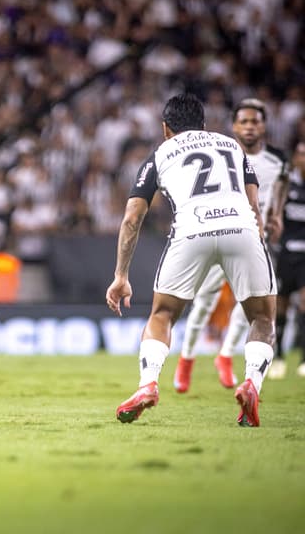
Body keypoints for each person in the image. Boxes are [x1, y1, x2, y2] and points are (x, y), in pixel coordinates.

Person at [106, 93, 276, 427]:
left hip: (191, 232)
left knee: (163, 314)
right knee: (263, 319)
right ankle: (251, 384)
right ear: (203, 125)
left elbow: (131, 219)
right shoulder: (231, 146)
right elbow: (255, 206)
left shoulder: (160, 154)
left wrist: (121, 275)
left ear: (166, 128)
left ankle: (148, 385)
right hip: (241, 228)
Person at [173, 98, 288, 392]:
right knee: (204, 301)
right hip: (220, 229)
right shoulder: (225, 151)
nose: (250, 127)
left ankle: (225, 356)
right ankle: (186, 360)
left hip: (253, 237)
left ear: (264, 125)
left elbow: (280, 187)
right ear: (234, 126)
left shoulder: (277, 161)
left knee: (251, 304)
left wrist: (275, 216)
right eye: (244, 121)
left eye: (255, 121)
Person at [274, 140, 305, 377]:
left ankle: (303, 359)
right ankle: (278, 357)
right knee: (281, 306)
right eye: (301, 155)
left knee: (304, 304)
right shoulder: (286, 186)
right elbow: (275, 215)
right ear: (295, 158)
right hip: (286, 254)